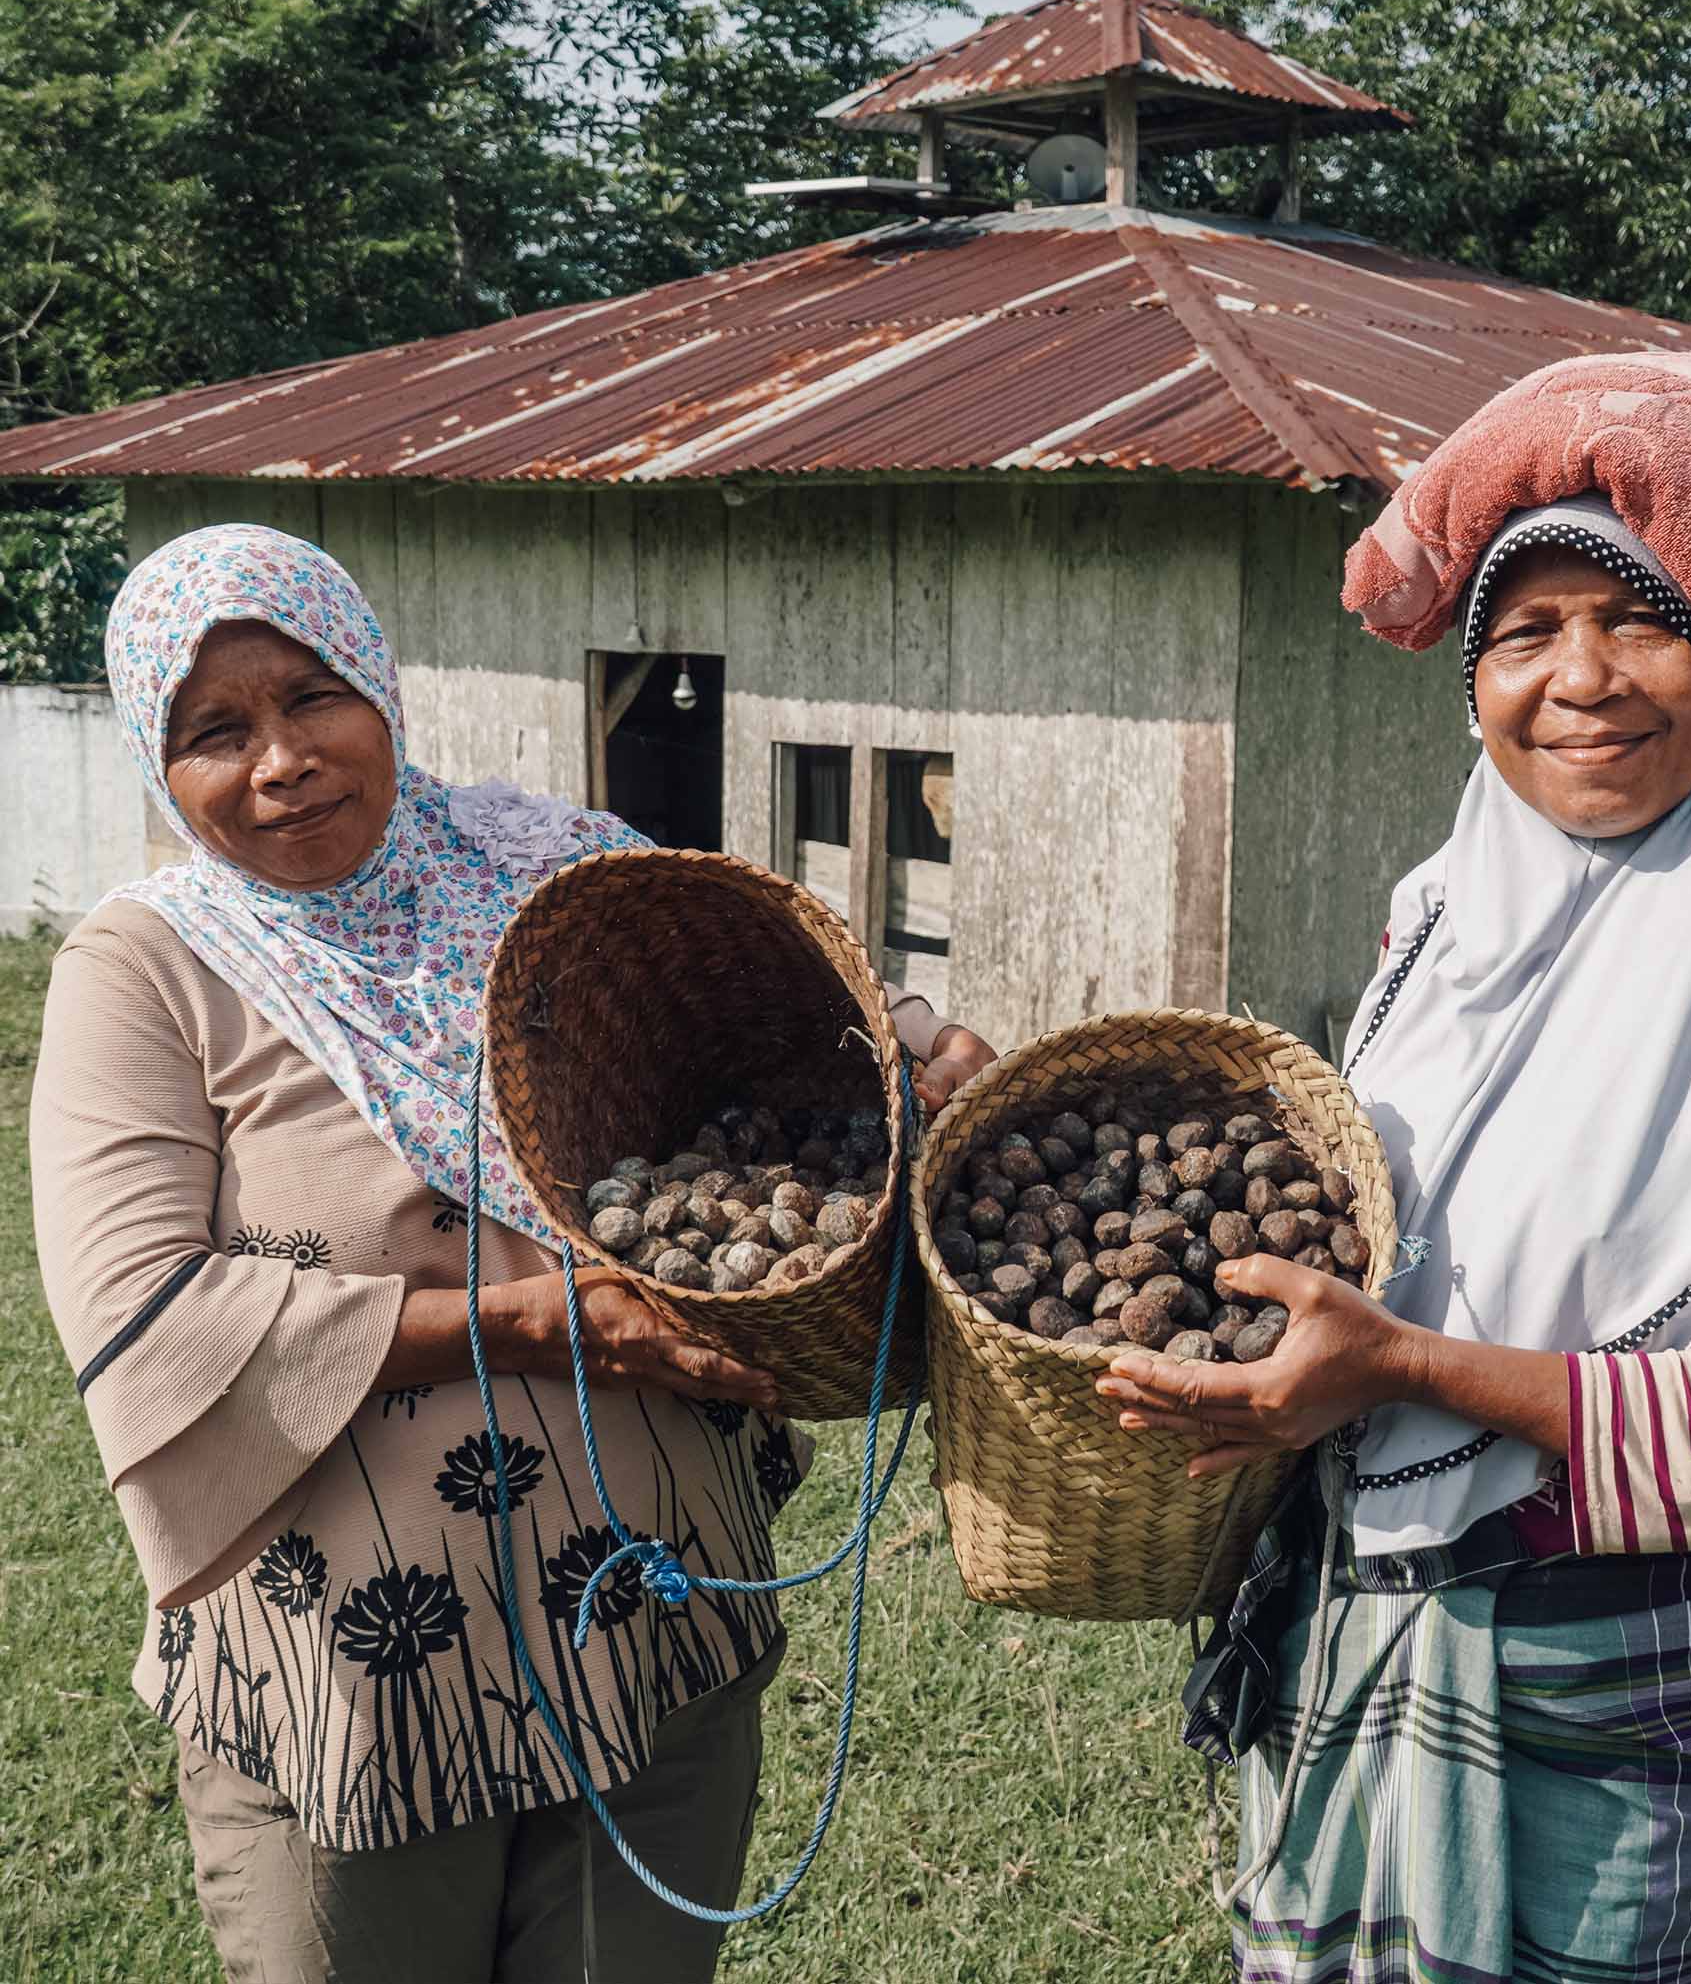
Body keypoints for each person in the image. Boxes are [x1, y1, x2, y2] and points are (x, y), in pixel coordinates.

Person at [1095, 352, 1691, 1984]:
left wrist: (1405, 1368)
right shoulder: (1441, 918)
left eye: (1640, 621)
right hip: (1357, 1608)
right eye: (1527, 634)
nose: (1582, 678)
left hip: (1599, 1669)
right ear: (1474, 686)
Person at [27, 524, 991, 1984]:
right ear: (161, 768)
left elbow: (778, 1003)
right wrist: (539, 1322)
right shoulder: (150, 968)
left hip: (651, 1637)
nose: (281, 757)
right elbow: (147, 1308)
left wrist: (923, 1048)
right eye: (214, 730)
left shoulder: (554, 871)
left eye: (312, 695)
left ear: (382, 687)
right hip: (361, 1686)